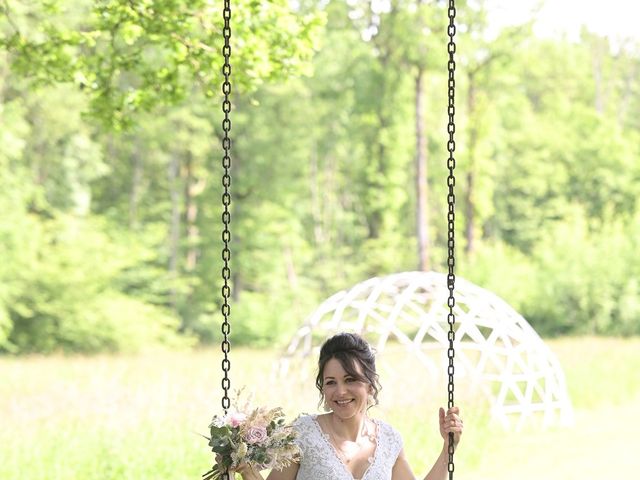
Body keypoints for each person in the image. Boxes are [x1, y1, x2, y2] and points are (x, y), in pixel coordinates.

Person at [230, 332, 463, 480]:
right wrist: (247, 470)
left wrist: (447, 449)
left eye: (350, 380)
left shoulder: (390, 439)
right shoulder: (303, 433)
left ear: (370, 385)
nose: (340, 391)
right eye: (331, 382)